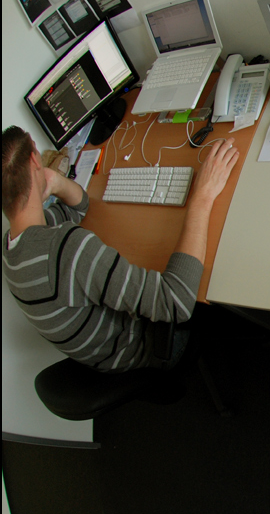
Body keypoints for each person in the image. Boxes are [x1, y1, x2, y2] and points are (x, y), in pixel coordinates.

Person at [1, 125, 239, 373]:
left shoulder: (15, 246)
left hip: (101, 353)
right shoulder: (67, 250)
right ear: (33, 160)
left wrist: (55, 182)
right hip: (144, 348)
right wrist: (203, 194)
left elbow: (78, 207)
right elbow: (176, 302)